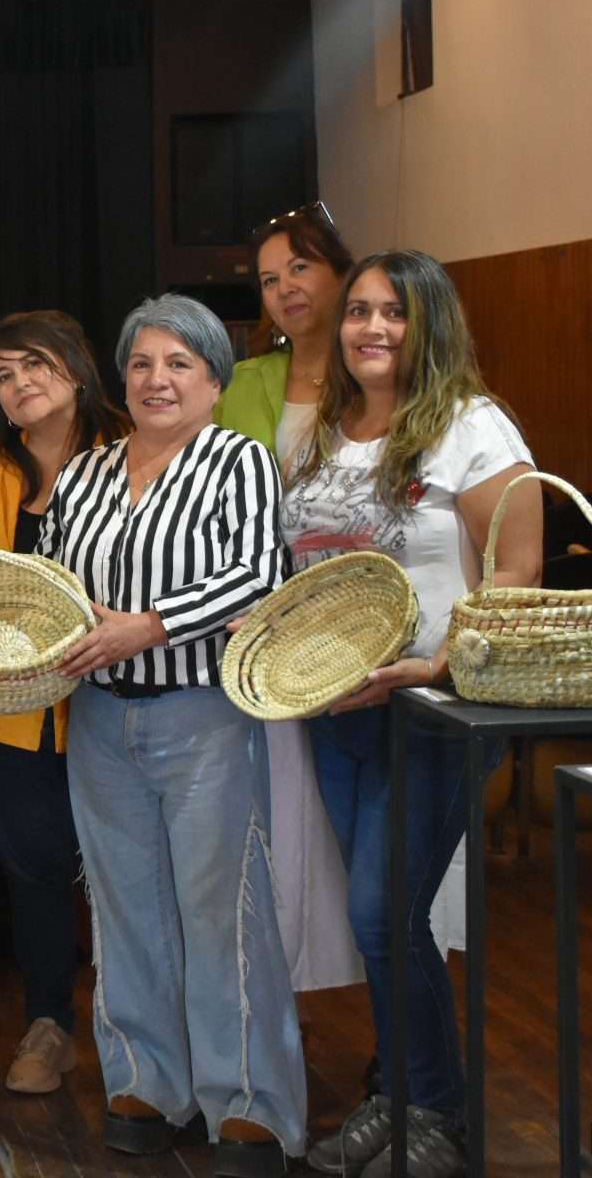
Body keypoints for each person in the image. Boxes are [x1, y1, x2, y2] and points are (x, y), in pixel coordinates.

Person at [284, 251, 539, 1178]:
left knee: (383, 911)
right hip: (335, 707)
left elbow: (516, 571)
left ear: (430, 322)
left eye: (394, 312)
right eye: (358, 311)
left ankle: (436, 1110)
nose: (372, 328)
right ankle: (399, 1096)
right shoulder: (326, 429)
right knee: (381, 921)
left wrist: (435, 663)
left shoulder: (472, 427)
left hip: (433, 709)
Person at [38, 294, 303, 1176]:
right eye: (144, 364)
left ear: (215, 381)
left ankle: (248, 1104)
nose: (158, 380)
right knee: (124, 908)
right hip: (101, 720)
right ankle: (148, 1082)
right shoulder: (83, 474)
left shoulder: (241, 463)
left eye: (180, 364)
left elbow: (259, 575)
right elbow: (54, 590)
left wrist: (148, 625)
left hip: (204, 717)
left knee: (222, 910)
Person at [0, 310, 127, 1094]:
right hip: (12, 707)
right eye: (3, 374)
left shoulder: (131, 456)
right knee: (35, 868)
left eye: (34, 365)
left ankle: (145, 1033)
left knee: (130, 867)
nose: (21, 383)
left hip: (118, 700)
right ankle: (49, 1022)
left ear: (77, 366)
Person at [216, 202, 367, 994]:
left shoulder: (379, 371)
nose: (285, 290)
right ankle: (287, 999)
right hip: (273, 632)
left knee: (370, 841)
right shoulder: (245, 382)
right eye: (269, 280)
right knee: (290, 823)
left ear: (341, 269)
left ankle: (394, 1032)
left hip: (368, 627)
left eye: (300, 269)